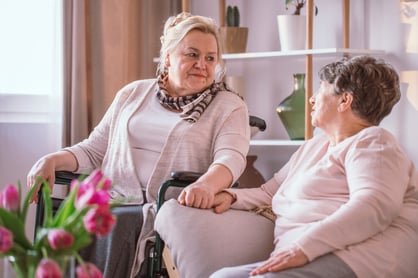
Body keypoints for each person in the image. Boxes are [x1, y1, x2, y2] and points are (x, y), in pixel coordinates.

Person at [27, 12, 250, 278]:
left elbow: (230, 160)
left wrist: (206, 185)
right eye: (192, 54)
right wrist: (51, 160)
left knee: (119, 220)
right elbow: (94, 149)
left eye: (210, 58)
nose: (202, 64)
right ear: (168, 57)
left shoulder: (228, 106)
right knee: (74, 213)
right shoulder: (132, 94)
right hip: (115, 199)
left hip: (169, 208)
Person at [209, 56, 418, 278]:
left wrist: (304, 248)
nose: (311, 99)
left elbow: (373, 205)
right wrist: (231, 197)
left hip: (356, 260)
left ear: (344, 100)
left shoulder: (374, 142)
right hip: (304, 258)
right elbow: (269, 192)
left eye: (321, 90)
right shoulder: (316, 145)